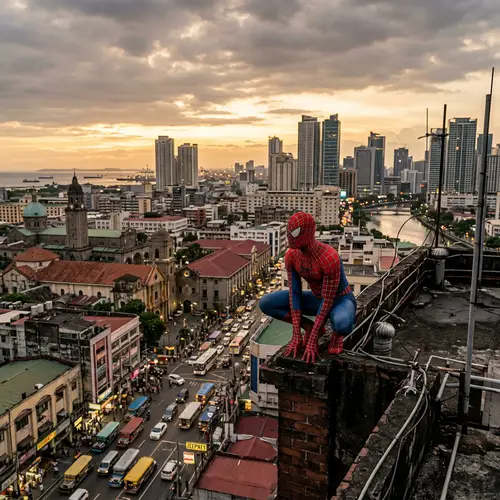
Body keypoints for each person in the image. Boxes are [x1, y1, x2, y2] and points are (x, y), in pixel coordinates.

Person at [259, 212, 356, 363]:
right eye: (289, 232)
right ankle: (308, 325)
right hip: (317, 298)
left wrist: (312, 340)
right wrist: (297, 332)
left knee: (342, 324)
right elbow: (295, 293)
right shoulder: (292, 255)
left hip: (339, 300)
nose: (290, 237)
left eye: (295, 233)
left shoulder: (329, 257)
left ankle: (336, 336)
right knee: (266, 303)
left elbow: (328, 299)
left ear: (308, 232)